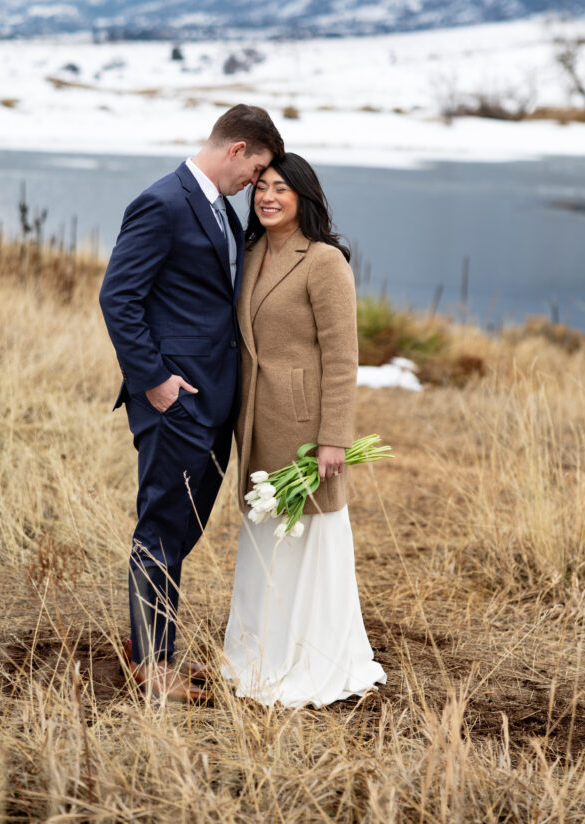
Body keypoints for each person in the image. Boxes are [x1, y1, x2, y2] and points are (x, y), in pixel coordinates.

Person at [99, 104, 284, 702]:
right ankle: (154, 667)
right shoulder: (164, 201)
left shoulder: (216, 208)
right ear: (236, 150)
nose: (255, 184)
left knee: (182, 530)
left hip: (213, 404)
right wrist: (155, 381)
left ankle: (151, 648)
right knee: (161, 527)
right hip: (173, 402)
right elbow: (117, 297)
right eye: (256, 170)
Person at [223, 153, 386, 706]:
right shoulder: (246, 255)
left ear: (304, 198)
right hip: (254, 419)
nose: (267, 197)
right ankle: (258, 651)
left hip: (304, 427)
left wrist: (333, 437)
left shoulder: (324, 261)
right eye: (260, 187)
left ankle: (313, 657)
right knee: (265, 536)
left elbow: (342, 358)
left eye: (280, 189)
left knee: (311, 537)